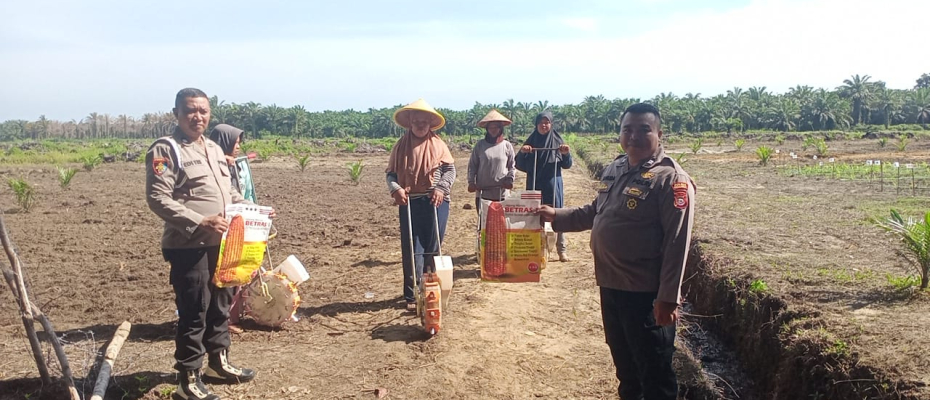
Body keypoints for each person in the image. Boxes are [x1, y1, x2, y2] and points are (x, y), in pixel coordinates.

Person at [538, 103, 695, 400]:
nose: (633, 135)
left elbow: (677, 242)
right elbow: (594, 212)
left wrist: (668, 298)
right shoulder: (617, 167)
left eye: (643, 129)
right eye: (627, 129)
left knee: (656, 376)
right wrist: (555, 215)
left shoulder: (671, 179)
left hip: (645, 295)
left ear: (659, 134)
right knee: (626, 372)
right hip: (610, 287)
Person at [146, 88, 265, 400]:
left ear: (209, 115)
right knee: (195, 309)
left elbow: (229, 193)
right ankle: (188, 379)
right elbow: (157, 198)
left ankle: (218, 363)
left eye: (203, 111)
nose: (197, 116)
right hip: (189, 245)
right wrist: (200, 221)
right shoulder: (166, 149)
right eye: (190, 110)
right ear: (176, 114)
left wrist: (252, 210)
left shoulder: (212, 149)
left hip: (223, 243)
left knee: (221, 303)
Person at [385, 99, 456, 311]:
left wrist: (441, 188)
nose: (421, 125)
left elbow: (450, 171)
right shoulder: (400, 147)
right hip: (409, 201)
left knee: (433, 246)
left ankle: (430, 288)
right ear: (410, 123)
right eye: (417, 121)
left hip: (436, 201)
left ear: (430, 124)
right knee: (411, 247)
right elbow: (391, 174)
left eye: (425, 121)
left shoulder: (439, 145)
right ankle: (411, 293)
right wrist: (396, 189)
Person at [515, 111, 573, 261]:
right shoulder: (531, 141)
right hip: (534, 183)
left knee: (557, 215)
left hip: (553, 184)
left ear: (551, 124)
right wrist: (524, 152)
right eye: (541, 122)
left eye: (547, 122)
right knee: (534, 215)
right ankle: (537, 249)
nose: (544, 125)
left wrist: (566, 154)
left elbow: (567, 165)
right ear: (536, 125)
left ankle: (561, 250)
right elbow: (519, 163)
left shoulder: (557, 142)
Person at [208, 124, 247, 335]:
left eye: (240, 142)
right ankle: (220, 321)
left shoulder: (231, 164)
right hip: (213, 229)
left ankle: (227, 317)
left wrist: (252, 208)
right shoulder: (212, 165)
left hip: (232, 223)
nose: (238, 146)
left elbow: (233, 192)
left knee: (232, 271)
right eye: (235, 141)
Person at [467, 109, 516, 208]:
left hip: (502, 193)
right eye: (490, 127)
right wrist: (471, 182)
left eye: (496, 127)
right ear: (487, 129)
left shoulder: (507, 145)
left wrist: (510, 179)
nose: (493, 130)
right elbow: (472, 166)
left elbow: (512, 166)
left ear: (501, 129)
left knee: (501, 222)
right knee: (484, 222)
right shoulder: (480, 145)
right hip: (483, 193)